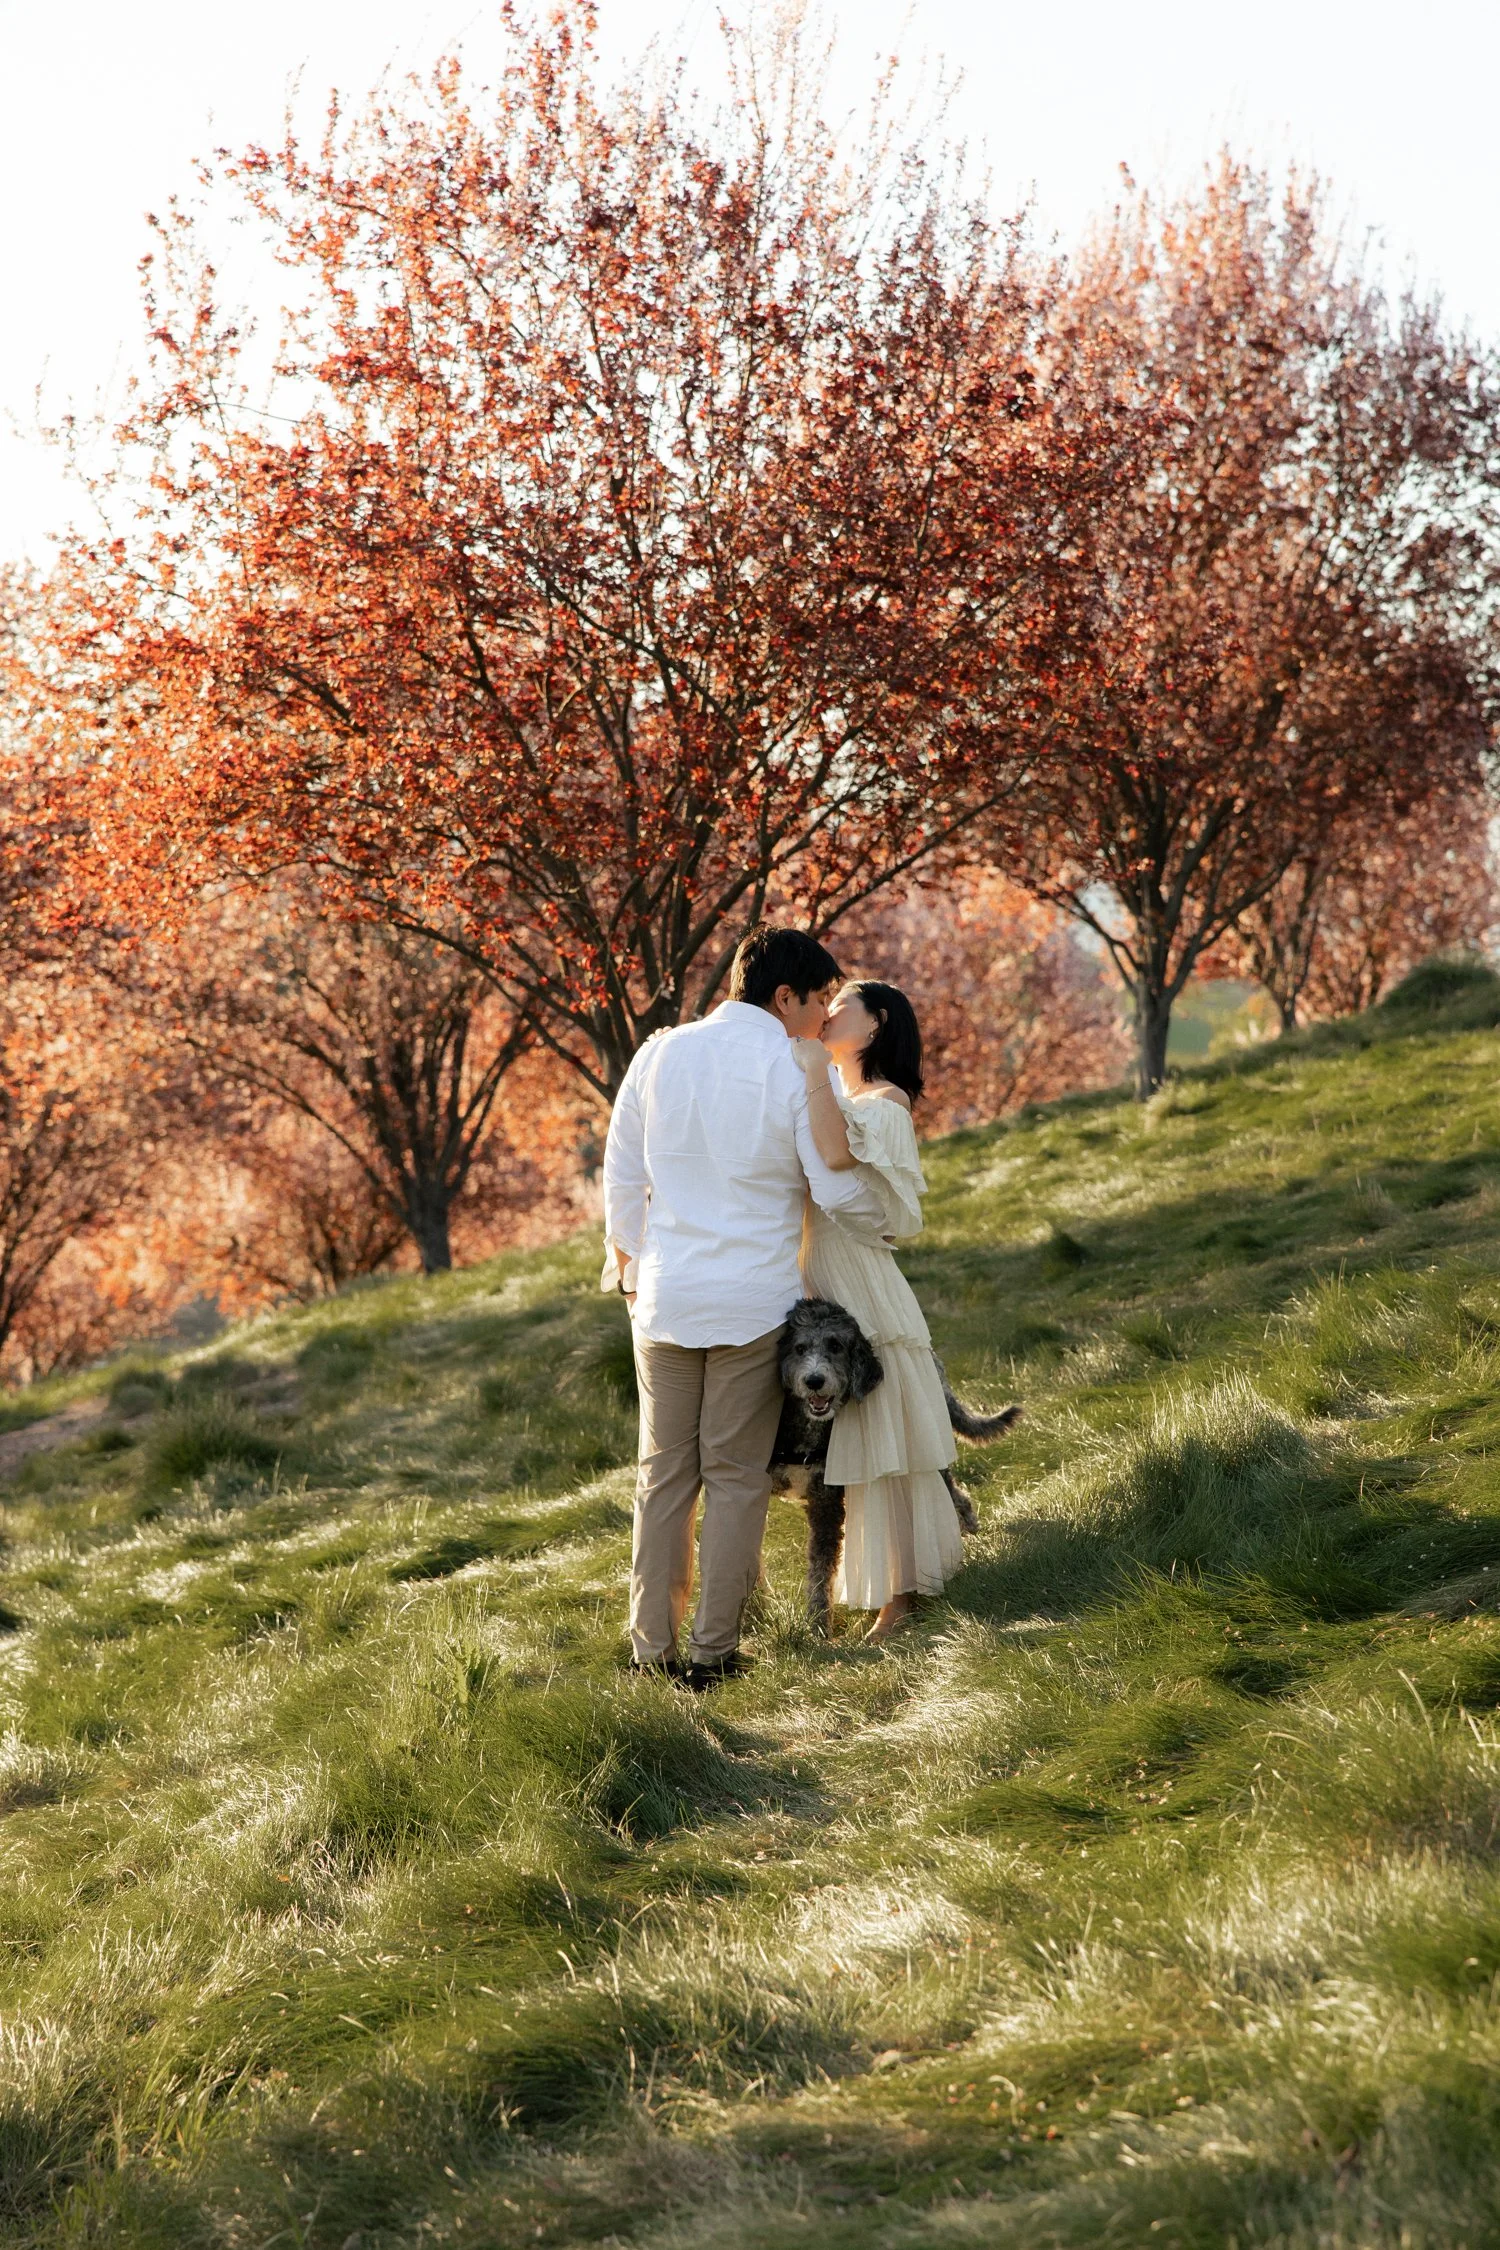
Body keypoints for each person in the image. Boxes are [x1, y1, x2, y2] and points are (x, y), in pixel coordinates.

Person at [602, 927, 891, 1688]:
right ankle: (712, 1655)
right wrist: (887, 1214)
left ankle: (649, 1651)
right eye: (821, 998)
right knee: (733, 1477)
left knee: (662, 1477)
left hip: (664, 1293)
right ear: (783, 996)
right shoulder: (796, 1067)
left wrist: (629, 1272)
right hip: (751, 1301)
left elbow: (622, 1176)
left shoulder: (658, 1051)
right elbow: (830, 1187)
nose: (826, 1016)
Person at [792, 980, 962, 1639]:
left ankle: (904, 1597)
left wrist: (810, 1064)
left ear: (876, 1023)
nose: (827, 1011)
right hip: (829, 1277)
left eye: (842, 1005)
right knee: (863, 1441)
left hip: (860, 1283)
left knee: (887, 1435)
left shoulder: (884, 1102)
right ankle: (893, 1590)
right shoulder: (844, 1095)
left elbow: (836, 1158)